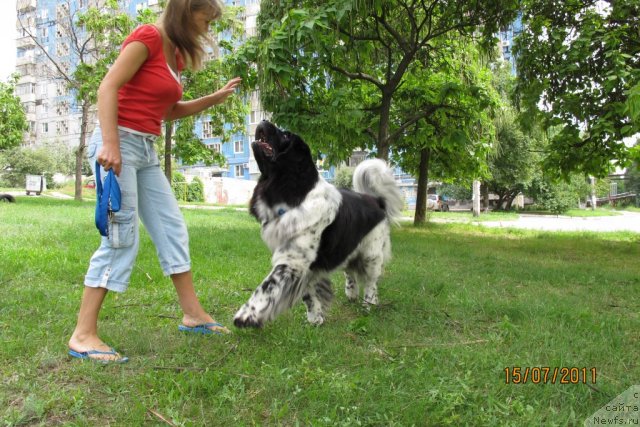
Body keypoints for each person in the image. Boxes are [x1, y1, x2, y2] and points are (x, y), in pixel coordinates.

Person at [68, 0, 241, 363]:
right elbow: (107, 88)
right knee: (121, 237)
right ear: (185, 10)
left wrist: (215, 97)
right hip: (118, 144)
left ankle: (193, 315)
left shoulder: (174, 56)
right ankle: (83, 335)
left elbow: (169, 111)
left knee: (172, 227)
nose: (205, 30)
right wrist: (111, 144)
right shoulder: (147, 37)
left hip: (144, 149)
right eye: (204, 21)